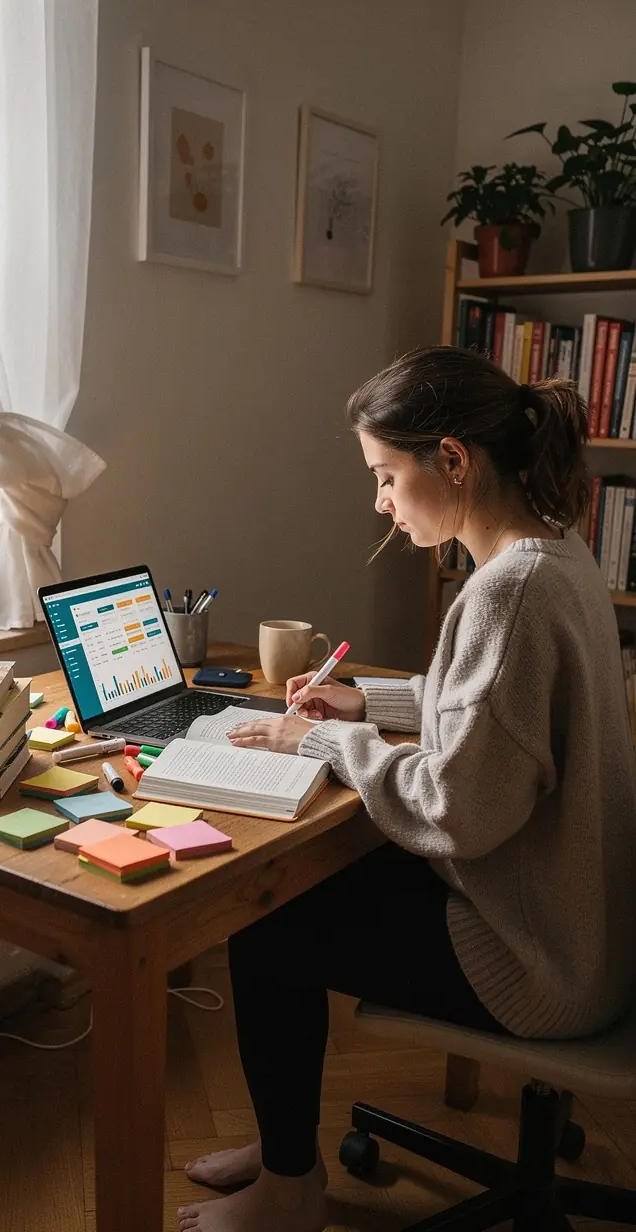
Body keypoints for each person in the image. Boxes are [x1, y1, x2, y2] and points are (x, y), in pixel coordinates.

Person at [177, 345, 636, 1232]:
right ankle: (283, 1150)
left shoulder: (510, 592)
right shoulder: (555, 547)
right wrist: (371, 699)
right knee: (296, 894)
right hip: (589, 925)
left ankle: (289, 1184)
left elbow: (456, 809)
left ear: (452, 461)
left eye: (387, 475)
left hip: (544, 963)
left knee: (266, 918)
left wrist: (327, 736)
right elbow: (489, 710)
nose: (380, 501)